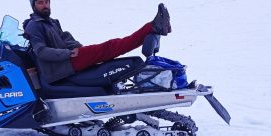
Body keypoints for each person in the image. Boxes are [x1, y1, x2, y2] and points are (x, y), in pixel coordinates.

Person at [24, 0, 171, 84]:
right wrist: (69, 54)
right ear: (33, 5)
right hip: (61, 66)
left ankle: (152, 28)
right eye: (40, 3)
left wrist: (77, 48)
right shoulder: (34, 25)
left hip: (67, 59)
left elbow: (65, 39)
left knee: (107, 50)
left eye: (46, 2)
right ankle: (152, 27)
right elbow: (41, 51)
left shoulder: (50, 22)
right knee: (109, 47)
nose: (45, 5)